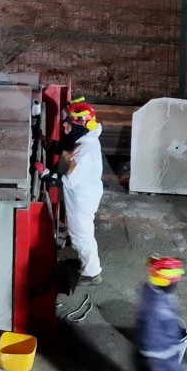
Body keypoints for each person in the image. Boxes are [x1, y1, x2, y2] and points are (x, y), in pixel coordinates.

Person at [59, 99, 105, 285]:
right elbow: (69, 154)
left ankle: (92, 274)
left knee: (81, 237)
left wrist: (45, 173)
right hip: (87, 193)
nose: (64, 125)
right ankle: (89, 267)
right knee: (83, 234)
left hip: (80, 198)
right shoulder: (88, 138)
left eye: (68, 123)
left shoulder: (83, 152)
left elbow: (66, 179)